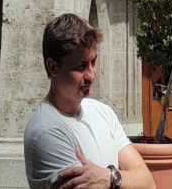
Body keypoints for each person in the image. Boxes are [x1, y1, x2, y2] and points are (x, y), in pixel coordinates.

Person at [24, 14, 156, 189]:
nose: (91, 75)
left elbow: (148, 182)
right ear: (53, 67)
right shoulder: (45, 131)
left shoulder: (102, 112)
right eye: (81, 66)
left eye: (93, 62)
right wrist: (124, 179)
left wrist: (109, 177)